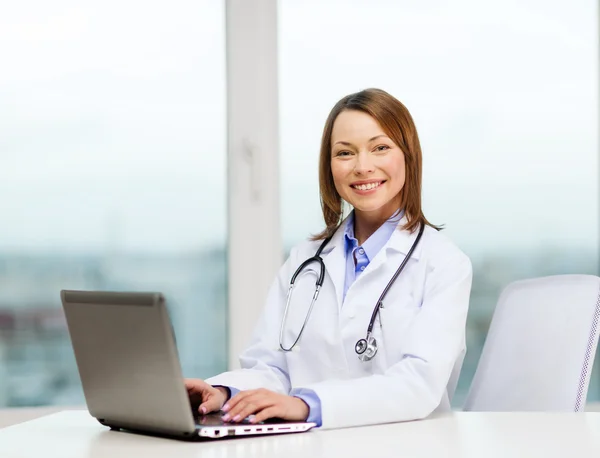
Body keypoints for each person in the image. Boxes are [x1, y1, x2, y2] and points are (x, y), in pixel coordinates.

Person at [186, 88, 473, 430]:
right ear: (329, 166)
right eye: (345, 153)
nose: (362, 166)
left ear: (409, 155)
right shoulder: (305, 260)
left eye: (380, 147)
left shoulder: (444, 264)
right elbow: (272, 368)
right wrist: (223, 392)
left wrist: (306, 405)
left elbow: (418, 385)